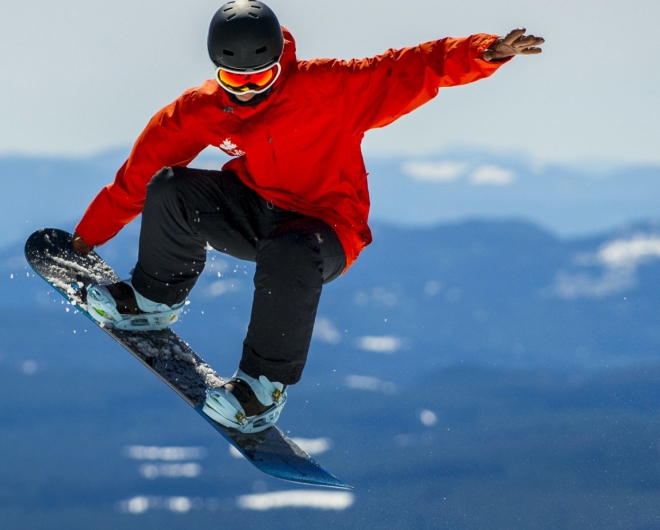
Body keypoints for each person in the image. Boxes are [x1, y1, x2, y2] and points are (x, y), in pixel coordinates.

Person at [72, 0, 544, 434]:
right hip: (256, 208)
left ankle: (261, 389)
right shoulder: (198, 111)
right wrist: (87, 238)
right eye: (236, 81)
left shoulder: (329, 88)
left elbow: (410, 68)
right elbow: (136, 177)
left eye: (262, 77)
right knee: (171, 187)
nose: (249, 92)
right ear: (218, 72)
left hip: (327, 228)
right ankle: (153, 301)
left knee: (290, 250)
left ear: (281, 65)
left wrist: (486, 52)